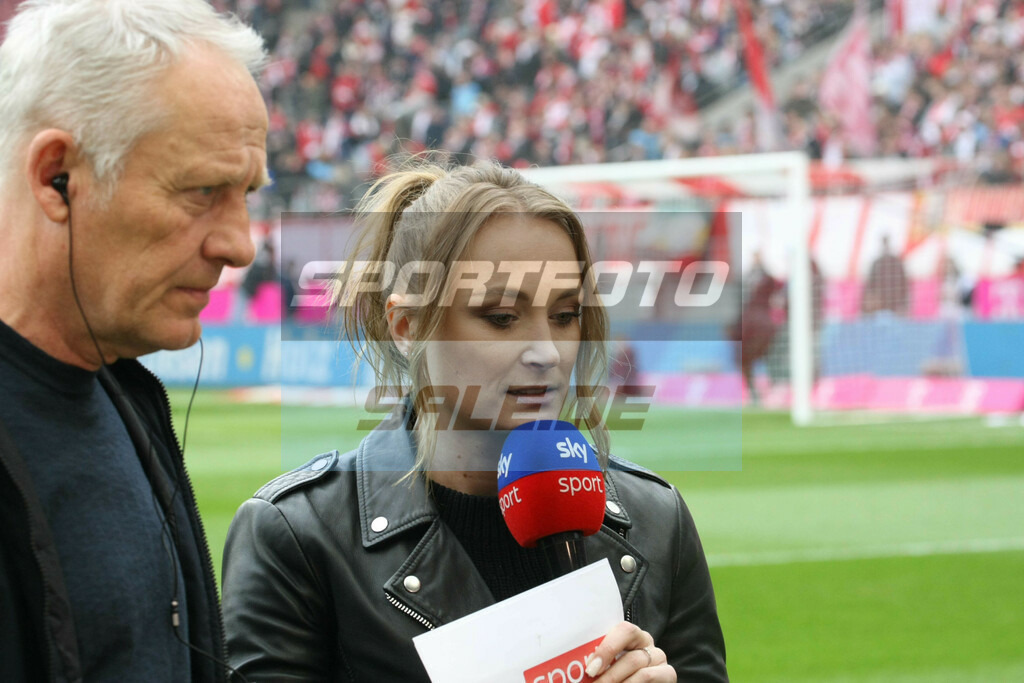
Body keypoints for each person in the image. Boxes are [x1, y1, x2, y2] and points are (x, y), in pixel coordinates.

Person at [221, 160, 728, 681]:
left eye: (564, 315)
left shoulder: (656, 519)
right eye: (501, 318)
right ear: (407, 325)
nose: (546, 352)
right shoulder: (296, 535)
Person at [0, 1, 269, 681]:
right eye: (202, 190)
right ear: (56, 176)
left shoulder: (126, 394)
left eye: (247, 194)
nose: (238, 244)